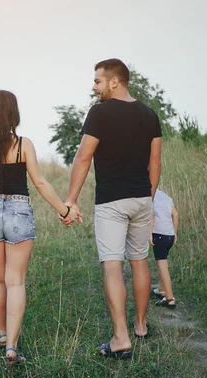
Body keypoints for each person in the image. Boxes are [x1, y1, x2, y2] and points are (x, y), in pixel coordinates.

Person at [0, 90, 80, 366]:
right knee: (15, 280)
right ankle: (12, 348)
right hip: (18, 210)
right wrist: (64, 209)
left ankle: (2, 334)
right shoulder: (23, 144)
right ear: (10, 113)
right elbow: (40, 183)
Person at [64, 59, 162, 358]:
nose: (94, 86)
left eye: (97, 81)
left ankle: (121, 338)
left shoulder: (100, 112)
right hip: (142, 199)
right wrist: (149, 197)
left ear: (114, 82)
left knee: (112, 264)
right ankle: (141, 325)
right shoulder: (149, 114)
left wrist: (70, 199)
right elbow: (155, 163)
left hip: (111, 201)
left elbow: (83, 158)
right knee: (140, 261)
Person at [150, 189, 179, 308]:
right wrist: (175, 233)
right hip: (169, 235)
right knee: (162, 262)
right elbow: (175, 214)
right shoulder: (165, 196)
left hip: (159, 234)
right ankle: (161, 289)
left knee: (162, 266)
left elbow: (152, 215)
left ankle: (169, 298)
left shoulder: (149, 196)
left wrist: (149, 233)